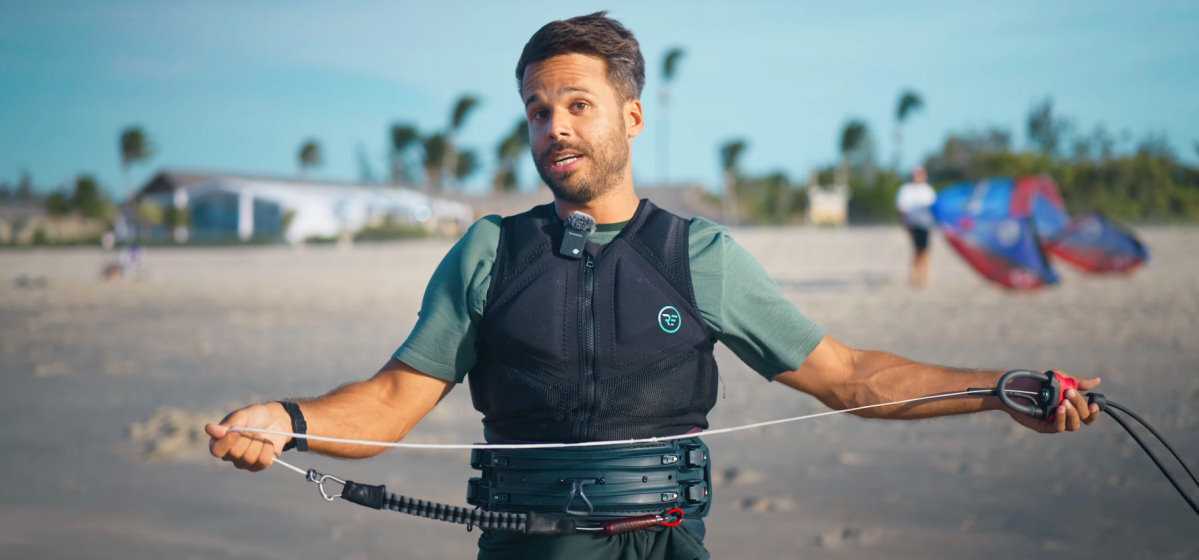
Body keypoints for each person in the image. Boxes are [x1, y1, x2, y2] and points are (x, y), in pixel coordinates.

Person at [206, 12, 1102, 560]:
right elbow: (390, 403)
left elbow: (847, 379)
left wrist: (998, 393)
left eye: (576, 104)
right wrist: (286, 420)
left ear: (631, 115)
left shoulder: (696, 253)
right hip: (528, 554)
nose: (554, 126)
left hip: (669, 552)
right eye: (536, 109)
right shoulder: (488, 253)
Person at [895, 166, 938, 288]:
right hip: (913, 223)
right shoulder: (907, 190)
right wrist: (904, 224)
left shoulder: (928, 190)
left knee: (925, 250)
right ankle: (914, 275)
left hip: (926, 224)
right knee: (917, 249)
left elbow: (934, 208)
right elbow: (902, 209)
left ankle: (924, 276)